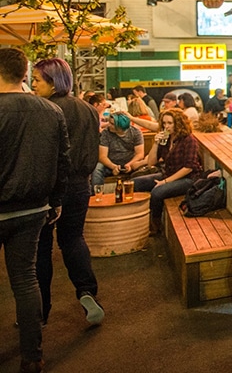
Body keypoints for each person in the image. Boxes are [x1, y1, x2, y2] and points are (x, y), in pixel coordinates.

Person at [0, 49, 69, 373]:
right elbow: (62, 163)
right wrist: (55, 201)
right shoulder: (52, 111)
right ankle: (32, 356)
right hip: (33, 208)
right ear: (25, 73)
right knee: (26, 281)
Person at [31, 58, 106, 329]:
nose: (33, 84)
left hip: (49, 187)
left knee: (41, 246)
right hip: (79, 185)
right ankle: (87, 292)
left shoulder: (44, 109)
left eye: (38, 80)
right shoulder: (88, 109)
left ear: (53, 81)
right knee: (73, 239)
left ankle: (40, 309)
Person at [132, 108, 204, 234]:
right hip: (169, 174)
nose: (166, 126)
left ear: (178, 123)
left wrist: (165, 182)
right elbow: (151, 162)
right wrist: (155, 143)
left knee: (157, 192)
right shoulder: (166, 138)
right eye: (164, 123)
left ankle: (155, 225)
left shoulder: (189, 140)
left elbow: (189, 167)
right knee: (135, 183)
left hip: (189, 179)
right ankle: (137, 218)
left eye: (170, 123)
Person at [91, 112, 145, 187]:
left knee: (142, 168)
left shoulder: (135, 133)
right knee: (97, 168)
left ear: (120, 127)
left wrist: (130, 164)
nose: (109, 125)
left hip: (130, 164)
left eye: (112, 124)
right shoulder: (105, 133)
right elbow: (102, 157)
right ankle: (97, 193)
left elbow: (140, 154)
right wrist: (113, 167)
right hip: (109, 164)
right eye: (109, 122)